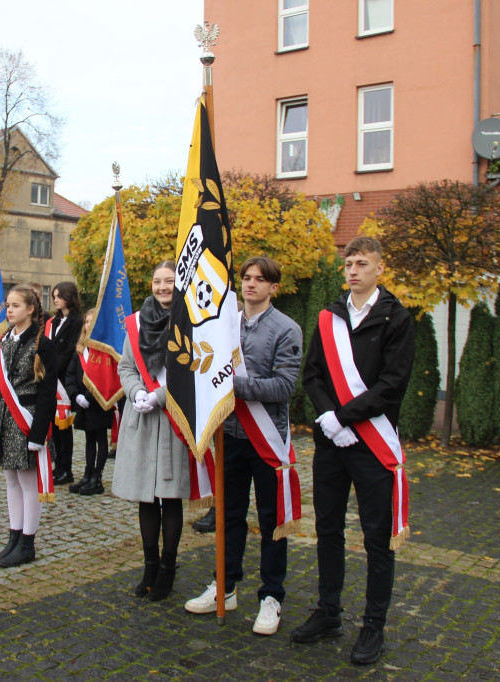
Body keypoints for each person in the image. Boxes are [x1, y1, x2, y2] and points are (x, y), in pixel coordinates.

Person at [292, 236, 415, 665]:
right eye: (349, 263)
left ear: (379, 269)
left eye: (362, 263)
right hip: (332, 443)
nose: (353, 270)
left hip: (372, 445)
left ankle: (373, 627)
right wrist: (328, 418)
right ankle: (329, 612)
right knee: (328, 529)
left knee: (377, 539)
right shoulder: (329, 317)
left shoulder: (396, 318)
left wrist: (342, 418)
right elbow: (313, 375)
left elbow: (391, 384)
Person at [184, 256, 303, 636]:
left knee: (272, 521)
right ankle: (225, 584)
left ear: (273, 287)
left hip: (267, 440)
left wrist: (232, 385)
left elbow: (284, 387)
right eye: (247, 278)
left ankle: (272, 596)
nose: (251, 284)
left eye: (260, 279)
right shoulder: (225, 325)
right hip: (230, 435)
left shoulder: (287, 329)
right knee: (229, 515)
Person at [112, 261, 192, 601]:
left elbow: (191, 369)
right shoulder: (137, 322)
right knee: (145, 495)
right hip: (141, 417)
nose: (162, 287)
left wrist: (158, 395)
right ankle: (149, 566)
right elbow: (126, 366)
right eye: (158, 281)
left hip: (173, 416)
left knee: (169, 495)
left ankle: (168, 569)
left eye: (170, 281)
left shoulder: (191, 320)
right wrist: (136, 392)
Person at [0, 283, 57, 567]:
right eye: (8, 306)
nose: (9, 311)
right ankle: (13, 538)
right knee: (11, 480)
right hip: (5, 418)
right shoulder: (3, 341)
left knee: (28, 483)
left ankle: (27, 543)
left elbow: (48, 392)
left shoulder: (42, 344)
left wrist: (39, 433)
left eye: (15, 306)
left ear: (30, 309)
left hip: (27, 417)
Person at [63, 309, 114, 496]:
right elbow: (70, 375)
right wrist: (75, 395)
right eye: (86, 321)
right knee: (88, 439)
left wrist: (89, 396)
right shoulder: (80, 349)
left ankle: (97, 478)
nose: (88, 325)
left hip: (99, 402)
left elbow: (105, 379)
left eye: (92, 321)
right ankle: (87, 474)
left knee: (100, 438)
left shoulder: (104, 350)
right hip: (82, 403)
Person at [46, 282, 83, 485]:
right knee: (53, 426)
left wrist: (51, 369)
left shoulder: (76, 322)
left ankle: (65, 469)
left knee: (63, 428)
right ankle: (57, 466)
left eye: (59, 295)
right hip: (51, 380)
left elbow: (69, 351)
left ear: (69, 296)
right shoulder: (54, 321)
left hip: (63, 379)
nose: (56, 299)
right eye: (54, 296)